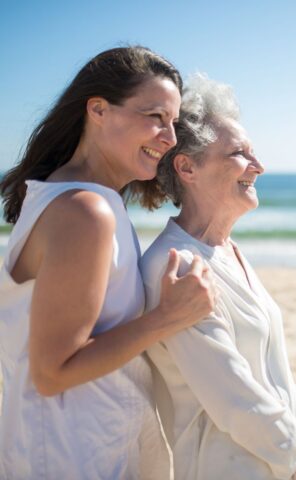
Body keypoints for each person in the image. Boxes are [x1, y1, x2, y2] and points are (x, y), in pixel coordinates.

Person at [0, 48, 216, 479]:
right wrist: (166, 318)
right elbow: (52, 372)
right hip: (71, 457)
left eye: (173, 122)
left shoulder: (79, 199)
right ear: (98, 109)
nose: (169, 137)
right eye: (156, 116)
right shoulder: (85, 211)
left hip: (81, 445)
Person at [140, 74, 296, 480]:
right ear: (186, 166)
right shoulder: (174, 266)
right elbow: (233, 396)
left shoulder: (228, 252)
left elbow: (271, 368)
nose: (259, 167)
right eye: (239, 154)